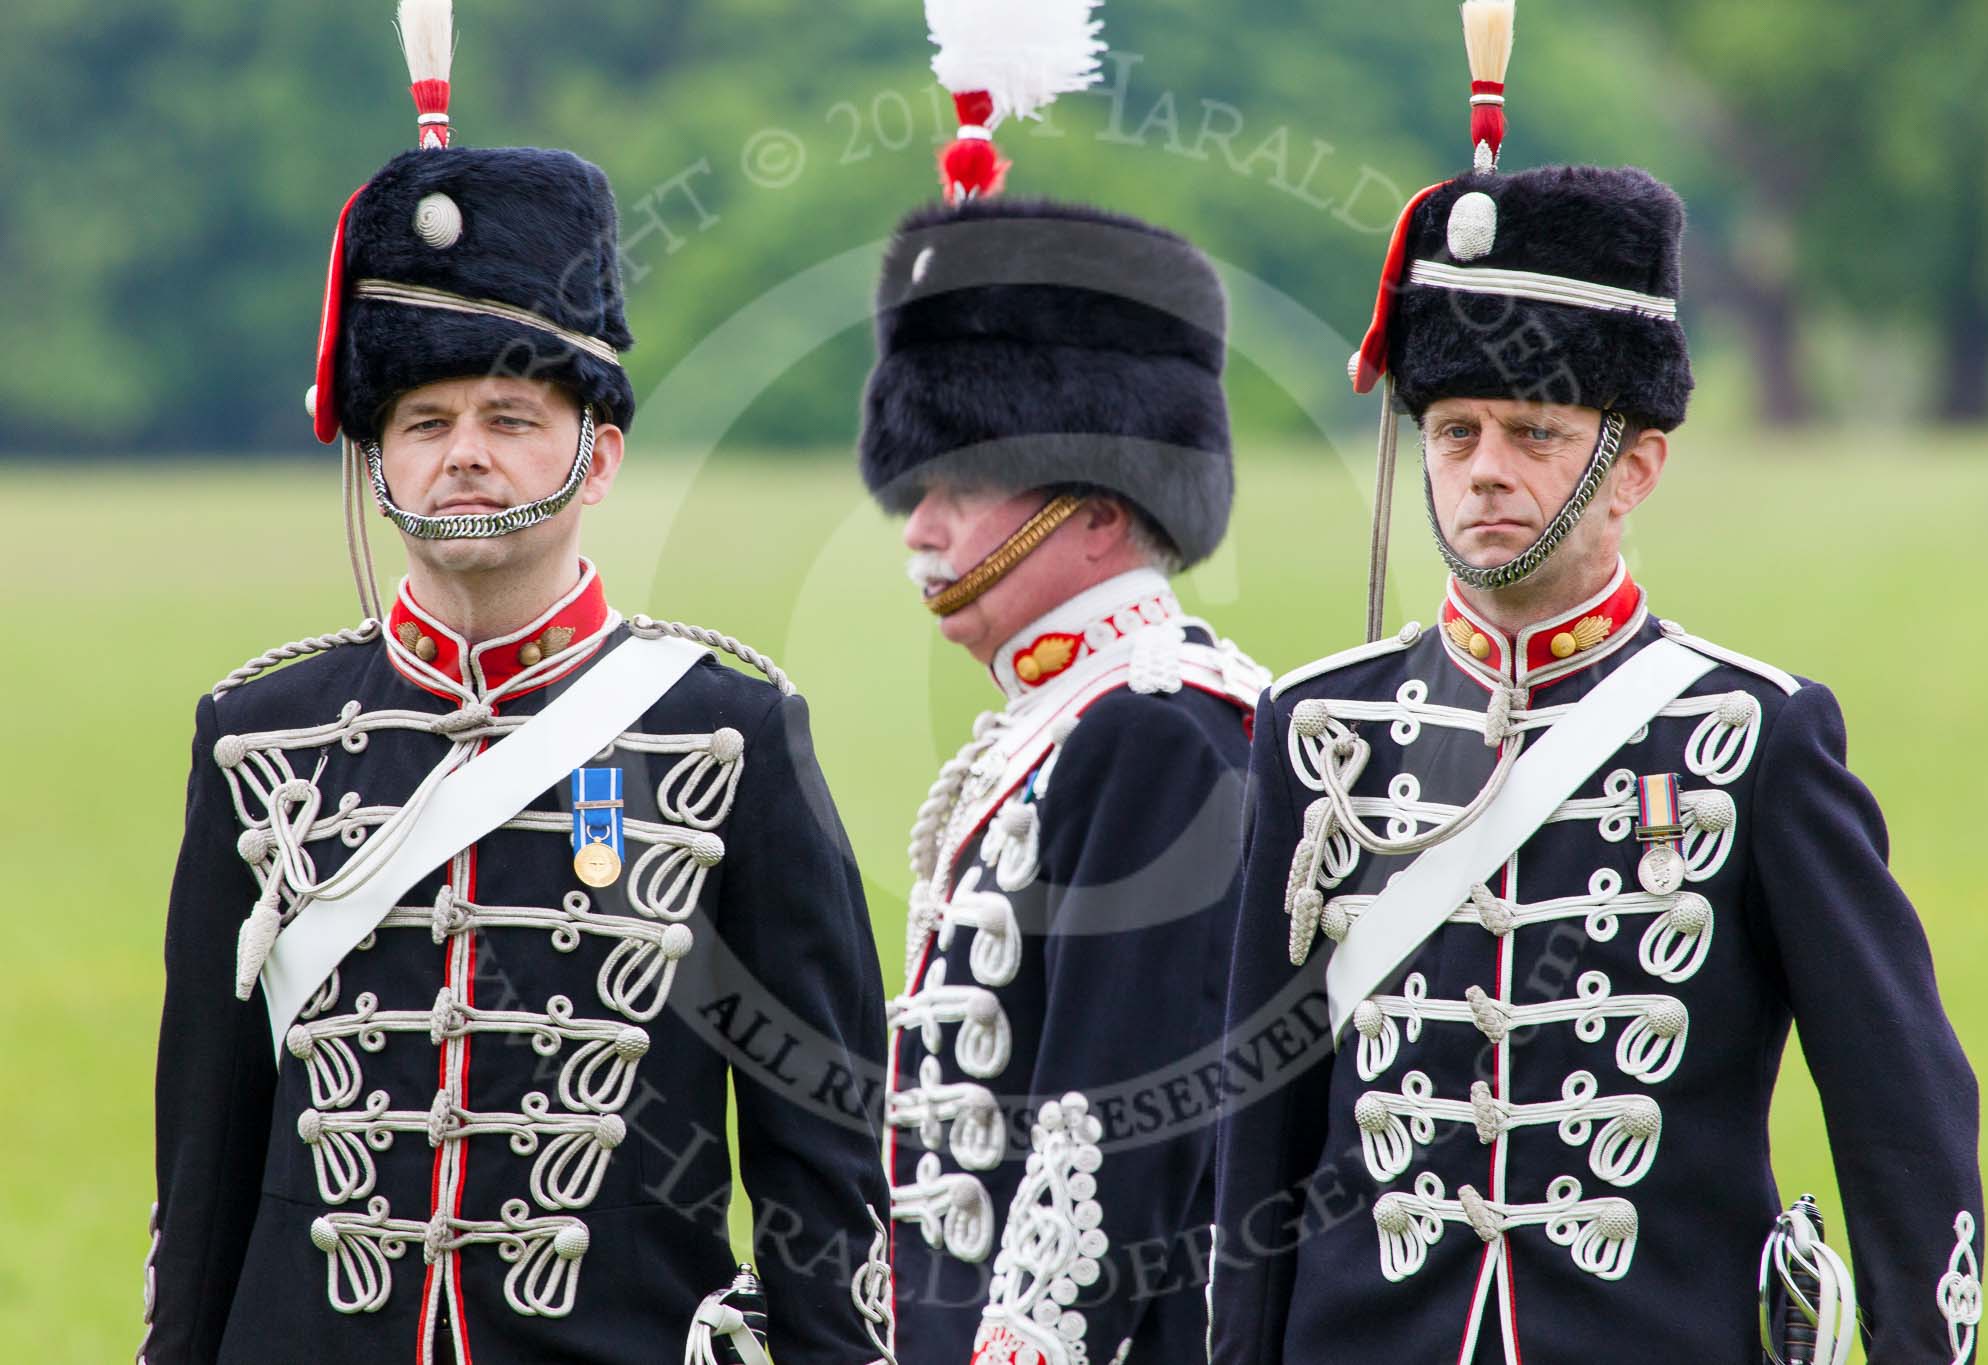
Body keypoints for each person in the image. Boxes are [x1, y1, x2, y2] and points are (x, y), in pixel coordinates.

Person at [1210, 3, 1985, 1362]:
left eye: (1533, 431)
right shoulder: (1319, 729)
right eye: (1453, 431)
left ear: (1635, 464)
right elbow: (1252, 1146)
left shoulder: (1751, 734)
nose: (1485, 470)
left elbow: (1900, 1111)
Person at [140, 6, 893, 1362]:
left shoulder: (726, 732)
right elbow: (201, 1167)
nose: (462, 455)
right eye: (423, 422)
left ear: (597, 456)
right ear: (375, 460)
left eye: (510, 417)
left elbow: (819, 1173)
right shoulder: (258, 737)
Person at [859, 7, 1268, 1362]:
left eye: (963, 481)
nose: (921, 527)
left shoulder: (1158, 730)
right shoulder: (1062, 723)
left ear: (1102, 504)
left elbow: (1110, 1140)